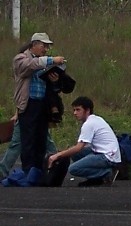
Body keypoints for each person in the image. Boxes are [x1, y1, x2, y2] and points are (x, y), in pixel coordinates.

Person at [5, 34, 68, 188]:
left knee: (41, 139)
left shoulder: (43, 62)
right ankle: (28, 172)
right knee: (27, 141)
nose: (46, 49)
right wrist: (51, 60)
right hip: (28, 105)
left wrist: (54, 80)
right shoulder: (21, 58)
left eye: (47, 47)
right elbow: (28, 66)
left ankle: (39, 172)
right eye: (43, 46)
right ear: (34, 44)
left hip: (42, 105)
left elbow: (52, 86)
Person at [45, 96, 121, 186]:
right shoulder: (96, 119)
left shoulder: (89, 124)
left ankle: (107, 174)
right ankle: (95, 179)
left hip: (108, 157)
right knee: (73, 154)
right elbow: (79, 148)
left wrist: (57, 155)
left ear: (87, 110)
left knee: (73, 169)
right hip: (106, 152)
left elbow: (78, 147)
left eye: (78, 110)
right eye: (74, 110)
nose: (75, 113)